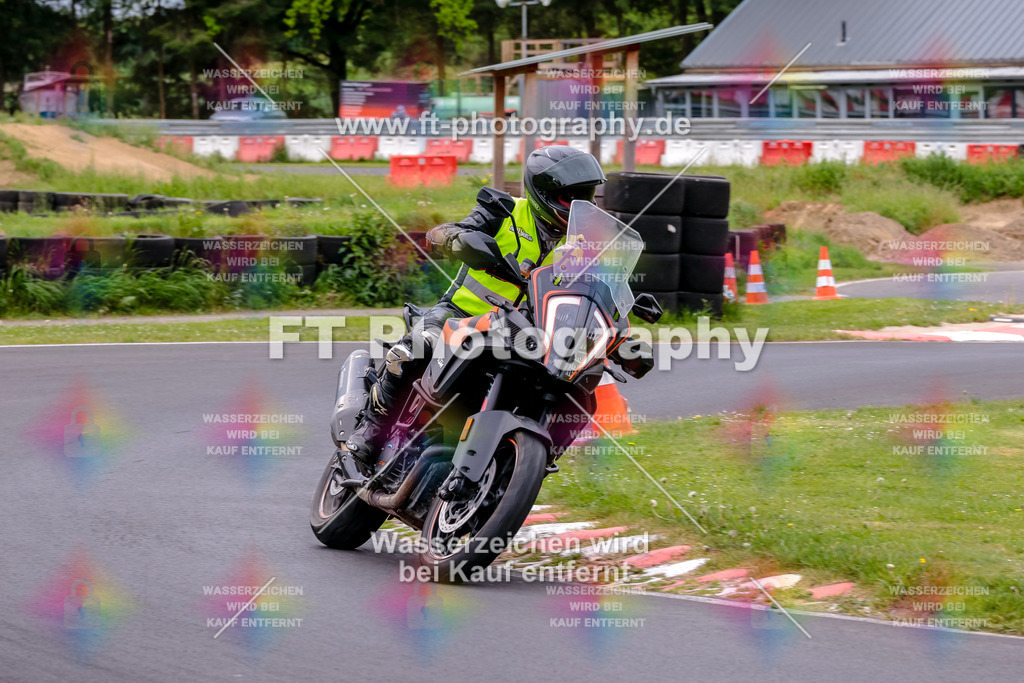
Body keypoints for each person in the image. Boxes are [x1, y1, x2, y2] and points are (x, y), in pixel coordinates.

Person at [345, 145, 607, 466]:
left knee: (574, 390)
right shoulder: (506, 211)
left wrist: (617, 325)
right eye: (573, 197)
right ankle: (372, 427)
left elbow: (596, 292)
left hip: (527, 336)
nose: (583, 205)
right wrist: (457, 240)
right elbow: (442, 233)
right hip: (461, 316)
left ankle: (518, 466)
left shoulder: (583, 244)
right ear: (545, 193)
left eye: (588, 197)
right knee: (419, 346)